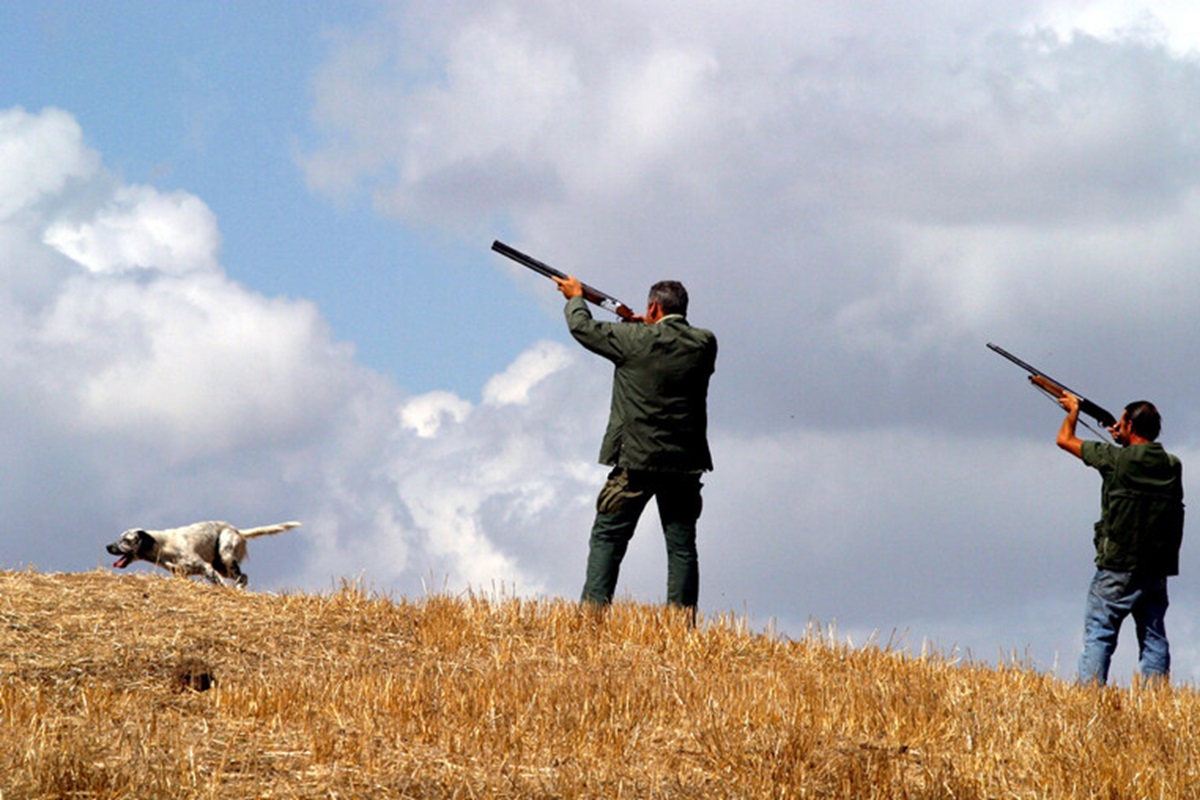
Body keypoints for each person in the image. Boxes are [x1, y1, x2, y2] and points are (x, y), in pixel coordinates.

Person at [553, 274, 716, 617]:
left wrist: (575, 298)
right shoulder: (704, 343)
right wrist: (646, 326)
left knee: (608, 537)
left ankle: (592, 617)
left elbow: (583, 329)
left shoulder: (633, 340)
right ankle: (681, 624)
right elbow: (665, 343)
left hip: (635, 460)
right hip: (684, 462)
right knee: (682, 547)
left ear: (653, 307)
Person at [1051, 389, 1184, 685]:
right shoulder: (1172, 465)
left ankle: (1090, 695)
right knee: (1153, 635)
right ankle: (1156, 699)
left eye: (1123, 423)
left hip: (1118, 564)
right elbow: (1136, 460)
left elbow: (1065, 439)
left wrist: (1072, 412)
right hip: (1156, 566)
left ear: (1131, 426)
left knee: (1100, 630)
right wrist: (1124, 439)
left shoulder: (1114, 459)